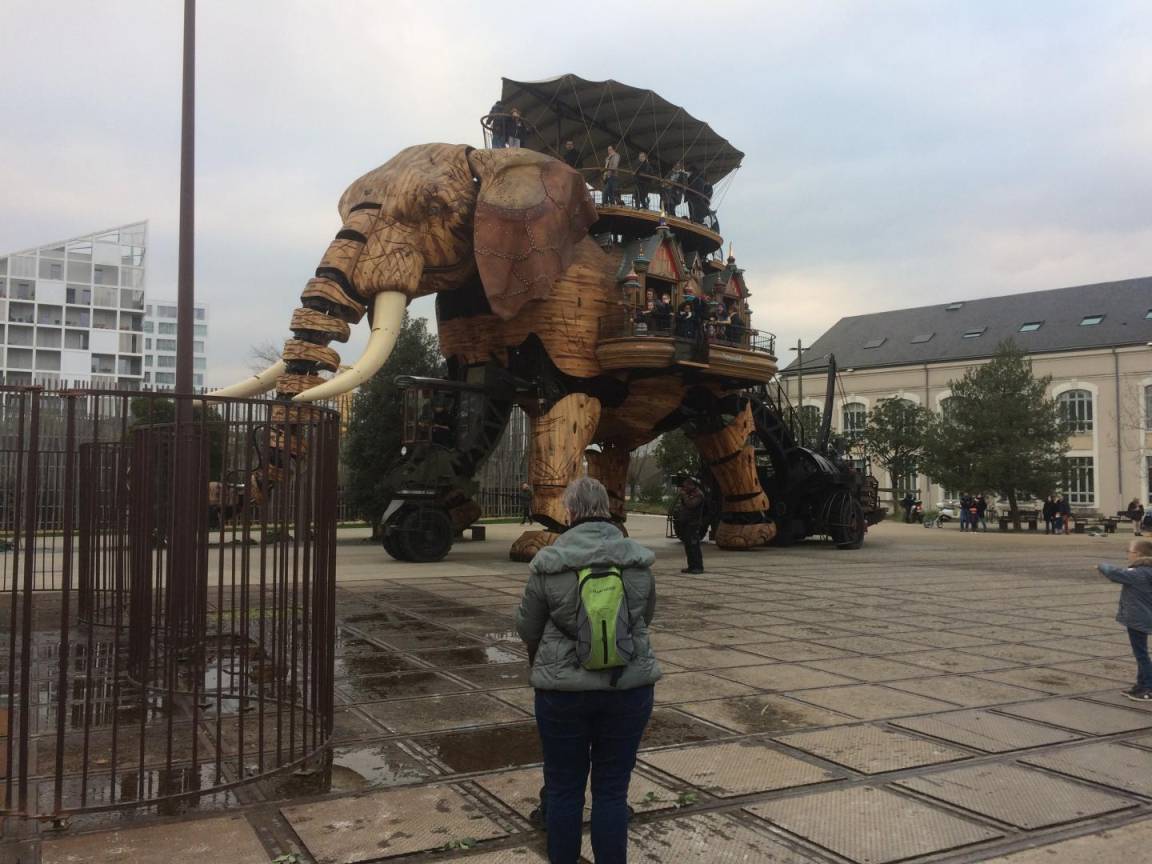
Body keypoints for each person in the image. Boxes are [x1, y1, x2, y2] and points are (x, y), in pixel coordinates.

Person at [516, 477, 661, 863]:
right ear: (607, 509)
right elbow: (644, 618)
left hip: (562, 692)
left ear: (571, 512)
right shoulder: (638, 561)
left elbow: (527, 628)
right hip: (628, 688)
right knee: (612, 793)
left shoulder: (549, 563)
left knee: (564, 791)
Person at [1098, 538, 1152, 700]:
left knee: (1141, 654)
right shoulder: (1146, 571)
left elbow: (1115, 574)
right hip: (1144, 617)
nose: (1128, 554)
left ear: (1139, 554)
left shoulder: (1138, 573)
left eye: (1129, 551)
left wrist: (1101, 565)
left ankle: (1148, 687)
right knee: (1141, 652)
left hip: (1138, 619)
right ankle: (1141, 685)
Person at [671, 477, 705, 574]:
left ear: (692, 485)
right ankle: (691, 566)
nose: (684, 488)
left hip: (693, 524)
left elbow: (691, 505)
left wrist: (684, 495)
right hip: (686, 523)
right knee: (688, 546)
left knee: (694, 546)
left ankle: (698, 567)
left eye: (686, 486)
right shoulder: (689, 494)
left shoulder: (698, 494)